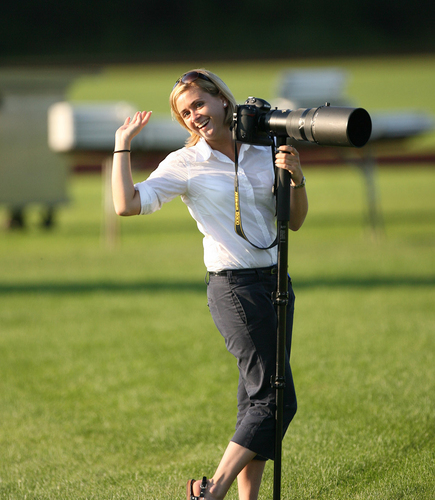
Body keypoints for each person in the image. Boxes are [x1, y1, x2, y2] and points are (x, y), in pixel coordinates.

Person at [112, 69, 308, 500]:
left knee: (254, 403)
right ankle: (210, 490)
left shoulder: (264, 148)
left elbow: (293, 220)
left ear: (221, 99)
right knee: (277, 402)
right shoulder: (186, 164)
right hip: (234, 289)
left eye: (199, 104)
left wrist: (296, 176)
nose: (194, 116)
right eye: (185, 112)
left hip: (276, 283)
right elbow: (125, 204)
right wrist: (122, 146)